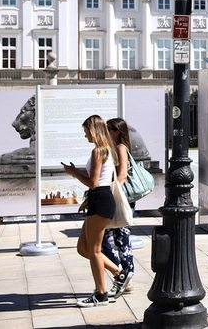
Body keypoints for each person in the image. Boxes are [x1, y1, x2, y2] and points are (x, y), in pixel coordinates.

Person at [61, 115, 119, 307]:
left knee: (93, 250)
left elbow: (93, 183)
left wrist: (73, 172)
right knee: (83, 248)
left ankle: (100, 294)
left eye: (86, 130)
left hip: (100, 199)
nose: (85, 134)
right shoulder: (106, 150)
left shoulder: (98, 151)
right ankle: (119, 272)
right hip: (98, 199)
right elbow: (98, 179)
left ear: (93, 130)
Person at [102, 118, 134, 297]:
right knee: (104, 240)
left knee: (122, 240)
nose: (105, 132)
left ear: (117, 132)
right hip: (113, 197)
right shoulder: (110, 149)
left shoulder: (121, 148)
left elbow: (121, 176)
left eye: (108, 129)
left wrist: (111, 195)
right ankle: (122, 275)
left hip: (119, 198)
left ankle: (126, 277)